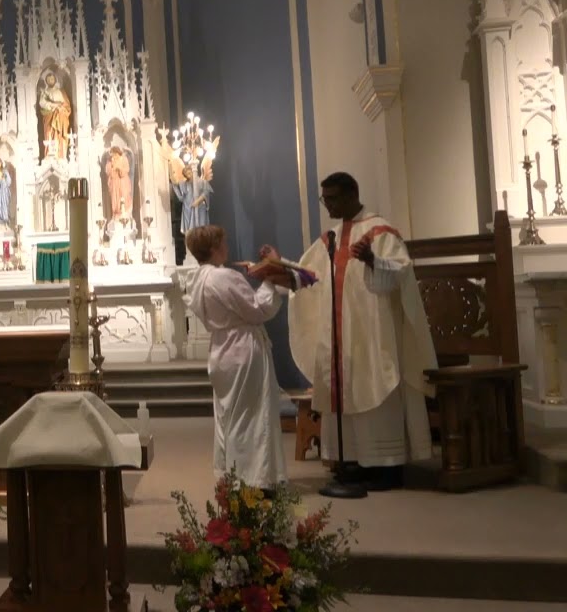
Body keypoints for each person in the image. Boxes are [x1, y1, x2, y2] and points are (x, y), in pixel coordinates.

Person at [261, 172, 435, 491]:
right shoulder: (330, 237)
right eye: (324, 199)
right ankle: (352, 461)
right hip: (339, 337)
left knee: (374, 390)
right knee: (343, 392)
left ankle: (386, 467)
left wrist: (373, 261)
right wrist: (280, 266)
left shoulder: (380, 231)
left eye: (333, 199)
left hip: (372, 336)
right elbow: (310, 276)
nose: (328, 205)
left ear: (352, 194)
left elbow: (400, 273)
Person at [184, 224, 294, 492]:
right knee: (251, 415)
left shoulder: (196, 279)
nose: (227, 247)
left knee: (229, 415)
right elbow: (258, 310)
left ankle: (232, 474)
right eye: (223, 242)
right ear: (213, 248)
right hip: (243, 347)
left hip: (221, 349)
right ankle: (252, 479)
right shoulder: (224, 277)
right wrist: (270, 279)